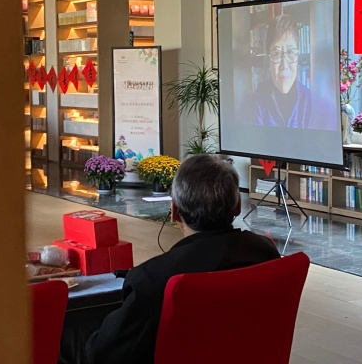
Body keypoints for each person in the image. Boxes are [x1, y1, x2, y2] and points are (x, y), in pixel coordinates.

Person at [85, 154, 280, 364]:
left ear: (174, 211)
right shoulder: (265, 253)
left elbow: (102, 354)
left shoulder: (154, 279)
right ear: (238, 206)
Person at [251, 14, 316, 128]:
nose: (284, 66)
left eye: (290, 52)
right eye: (276, 53)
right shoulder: (257, 99)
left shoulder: (312, 103)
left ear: (298, 56)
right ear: (269, 59)